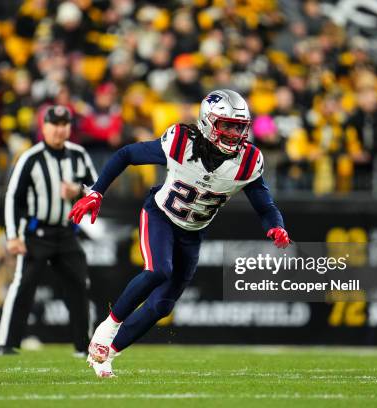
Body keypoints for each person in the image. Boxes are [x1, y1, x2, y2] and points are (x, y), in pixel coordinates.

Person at [68, 90, 290, 377]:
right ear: (209, 123)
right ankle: (107, 327)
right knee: (159, 270)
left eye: (239, 126)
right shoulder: (182, 143)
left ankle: (107, 354)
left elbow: (265, 206)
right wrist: (96, 191)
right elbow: (127, 154)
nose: (235, 133)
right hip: (160, 215)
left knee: (162, 306)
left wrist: (276, 225)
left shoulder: (247, 162)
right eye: (227, 125)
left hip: (192, 232)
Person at [0, 105, 97, 357]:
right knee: (24, 285)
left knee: (79, 285)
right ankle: (6, 343)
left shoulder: (79, 154)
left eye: (64, 124)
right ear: (44, 126)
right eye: (54, 124)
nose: (59, 130)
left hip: (66, 233)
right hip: (36, 233)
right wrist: (13, 235)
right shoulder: (31, 158)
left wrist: (79, 190)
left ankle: (83, 346)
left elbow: (97, 188)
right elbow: (13, 198)